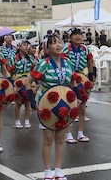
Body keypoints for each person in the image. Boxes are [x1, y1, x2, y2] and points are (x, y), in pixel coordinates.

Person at [25, 33, 82, 180]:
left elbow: (73, 81)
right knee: (48, 139)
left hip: (64, 105)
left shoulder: (67, 63)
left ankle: (58, 170)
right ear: (47, 48)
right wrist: (33, 101)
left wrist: (78, 98)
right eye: (54, 43)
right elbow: (28, 82)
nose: (58, 45)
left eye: (59, 42)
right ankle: (47, 171)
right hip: (47, 105)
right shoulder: (43, 64)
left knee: (61, 139)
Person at [62, 27, 96, 143]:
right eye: (75, 35)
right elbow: (62, 62)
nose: (78, 37)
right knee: (70, 106)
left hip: (82, 77)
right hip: (69, 78)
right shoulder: (65, 49)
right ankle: (68, 133)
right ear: (70, 37)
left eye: (80, 35)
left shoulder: (85, 48)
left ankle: (81, 132)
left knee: (82, 106)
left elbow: (90, 61)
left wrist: (91, 76)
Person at [9, 39, 34, 129]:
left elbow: (33, 70)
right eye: (24, 45)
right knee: (18, 102)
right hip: (18, 81)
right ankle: (17, 120)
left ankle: (27, 120)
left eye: (27, 45)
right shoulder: (14, 58)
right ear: (19, 46)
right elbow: (10, 72)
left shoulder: (30, 58)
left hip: (27, 80)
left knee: (27, 102)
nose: (26, 47)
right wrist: (12, 83)